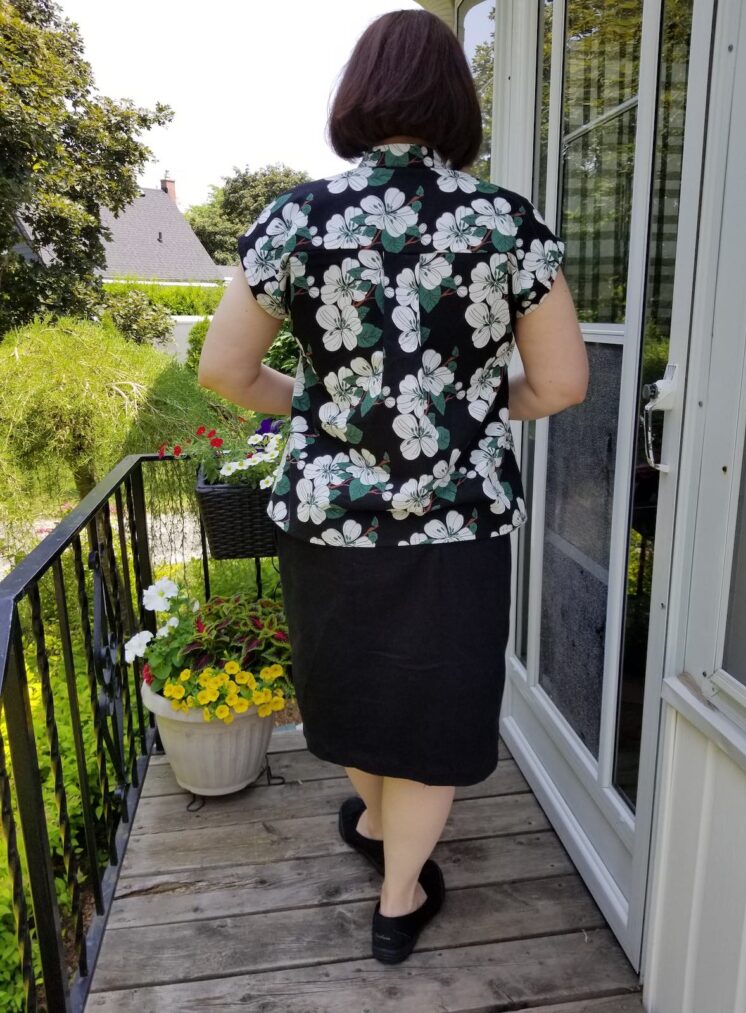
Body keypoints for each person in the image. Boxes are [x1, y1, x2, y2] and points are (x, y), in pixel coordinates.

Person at [198, 7, 587, 965]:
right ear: (457, 102)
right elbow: (563, 384)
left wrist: (324, 408)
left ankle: (379, 833)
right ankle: (398, 890)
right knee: (431, 704)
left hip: (330, 523)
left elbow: (225, 372)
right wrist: (467, 412)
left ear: (356, 97)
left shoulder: (296, 217)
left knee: (360, 692)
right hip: (458, 526)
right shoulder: (505, 222)